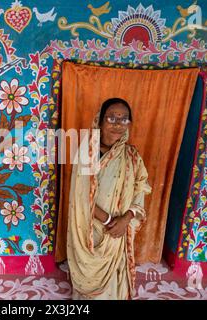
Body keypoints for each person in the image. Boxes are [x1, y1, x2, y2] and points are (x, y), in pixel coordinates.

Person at [66, 97, 152, 300]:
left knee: (115, 287)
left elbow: (141, 187)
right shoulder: (87, 153)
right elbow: (81, 199)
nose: (117, 124)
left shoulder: (131, 156)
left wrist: (127, 217)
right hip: (92, 229)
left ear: (129, 123)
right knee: (90, 278)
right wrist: (110, 221)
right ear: (100, 120)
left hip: (119, 230)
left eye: (124, 119)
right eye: (112, 118)